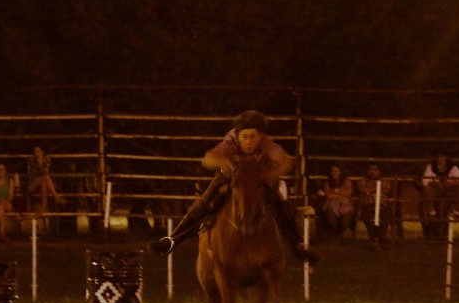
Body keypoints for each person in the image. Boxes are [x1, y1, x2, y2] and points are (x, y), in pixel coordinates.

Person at [150, 110, 317, 262]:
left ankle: (297, 247)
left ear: (260, 136)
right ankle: (171, 240)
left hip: (256, 180)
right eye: (245, 137)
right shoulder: (231, 142)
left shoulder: (267, 145)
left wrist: (268, 176)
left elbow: (287, 161)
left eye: (253, 137)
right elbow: (207, 159)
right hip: (229, 178)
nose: (249, 141)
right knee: (203, 203)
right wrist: (224, 162)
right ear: (238, 136)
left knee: (283, 207)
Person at [422, 150, 459, 220]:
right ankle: (431, 211)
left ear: (446, 158)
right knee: (427, 188)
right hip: (436, 192)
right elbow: (425, 181)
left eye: (442, 157)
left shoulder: (453, 168)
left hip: (449, 192)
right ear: (436, 158)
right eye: (438, 157)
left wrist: (449, 184)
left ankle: (457, 211)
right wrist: (436, 184)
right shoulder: (430, 167)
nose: (440, 159)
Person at [27, 146, 67, 215]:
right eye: (35, 152)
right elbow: (31, 174)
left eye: (38, 151)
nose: (36, 153)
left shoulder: (47, 159)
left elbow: (46, 170)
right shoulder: (31, 160)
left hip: (42, 182)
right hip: (33, 184)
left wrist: (40, 164)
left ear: (42, 152)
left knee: (44, 184)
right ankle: (56, 197)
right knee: (45, 176)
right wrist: (39, 164)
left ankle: (43, 208)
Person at [320, 165, 354, 244]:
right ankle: (337, 235)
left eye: (336, 171)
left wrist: (335, 191)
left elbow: (348, 193)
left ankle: (338, 236)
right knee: (331, 218)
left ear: (340, 172)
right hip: (331, 203)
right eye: (332, 171)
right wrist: (341, 192)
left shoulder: (346, 181)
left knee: (346, 219)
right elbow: (329, 195)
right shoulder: (327, 182)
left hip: (345, 203)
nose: (334, 173)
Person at [358, 163, 390, 248]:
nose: (373, 172)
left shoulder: (384, 181)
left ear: (379, 171)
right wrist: (376, 189)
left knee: (385, 221)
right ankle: (373, 239)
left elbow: (386, 190)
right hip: (367, 204)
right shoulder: (362, 180)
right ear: (367, 171)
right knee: (368, 220)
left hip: (382, 205)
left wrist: (369, 191)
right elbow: (362, 189)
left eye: (375, 170)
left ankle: (380, 240)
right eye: (371, 169)